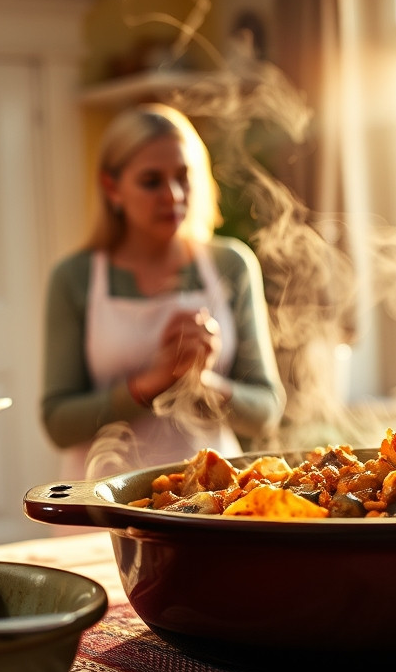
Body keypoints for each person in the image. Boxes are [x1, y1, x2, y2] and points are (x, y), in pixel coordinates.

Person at [41, 103, 284, 479]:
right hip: (103, 500)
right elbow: (59, 425)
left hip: (214, 495)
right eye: (151, 181)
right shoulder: (74, 277)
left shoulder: (231, 266)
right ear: (112, 187)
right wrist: (154, 382)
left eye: (183, 177)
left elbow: (266, 411)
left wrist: (199, 382)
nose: (172, 196)